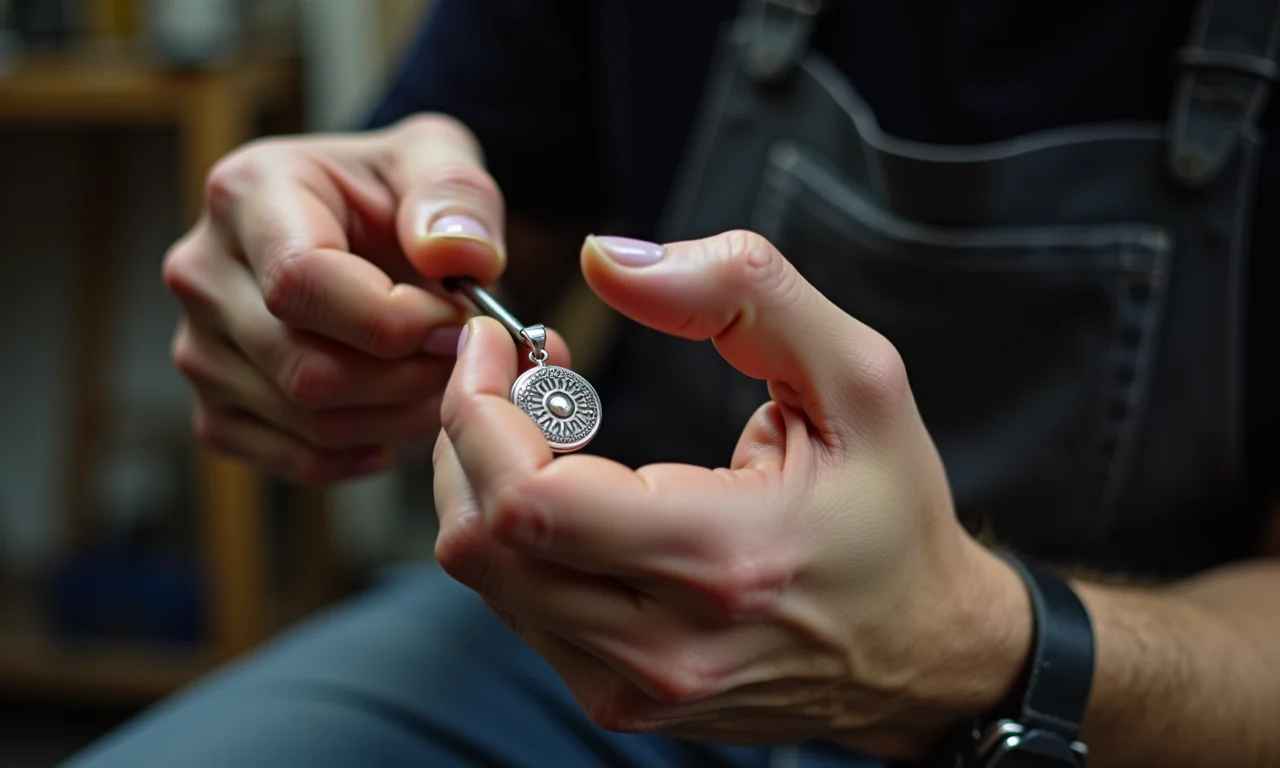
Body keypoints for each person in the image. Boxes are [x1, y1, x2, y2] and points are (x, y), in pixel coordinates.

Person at [69, 0, 1280, 766]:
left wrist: (975, 642)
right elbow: (452, 213)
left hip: (1122, 708)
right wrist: (323, 282)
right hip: (586, 644)